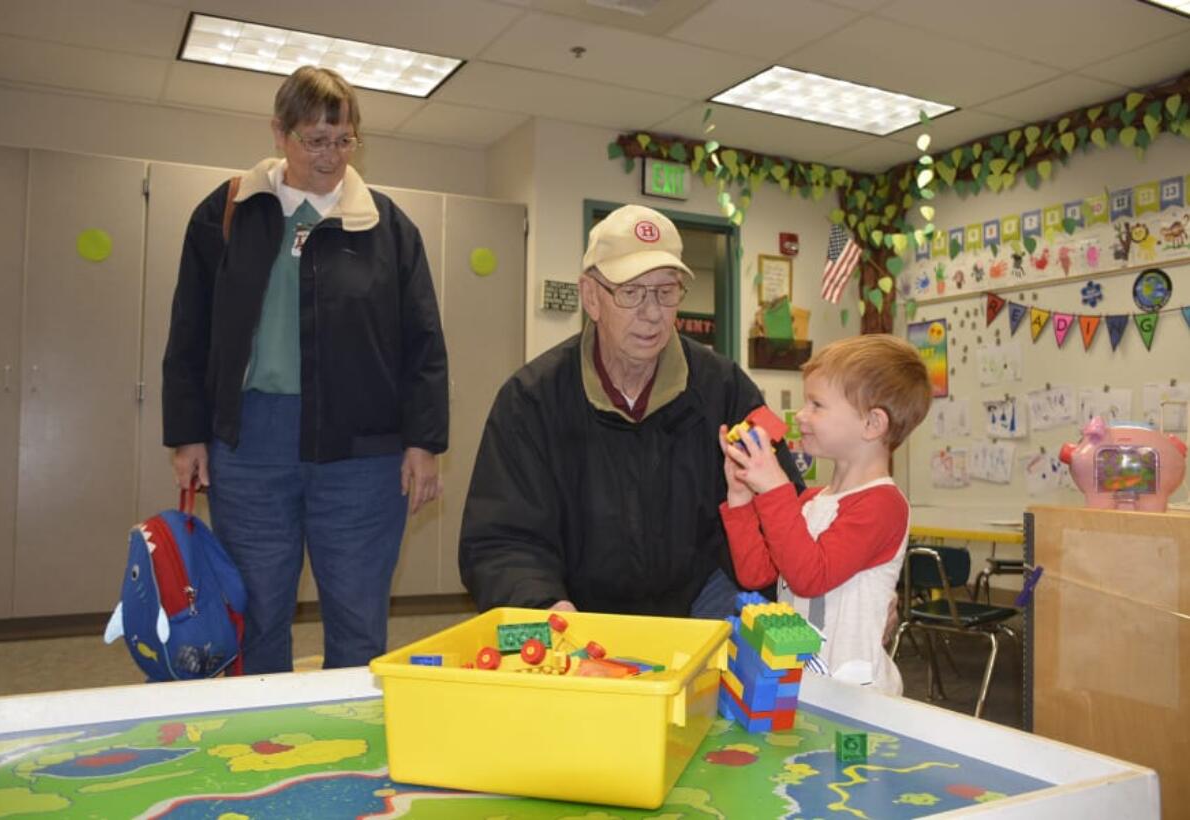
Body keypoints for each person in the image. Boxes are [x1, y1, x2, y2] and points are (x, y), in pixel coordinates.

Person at [162, 66, 448, 673]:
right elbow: (190, 331)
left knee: (357, 615)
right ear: (279, 133)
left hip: (363, 453)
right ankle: (266, 750)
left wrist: (424, 442)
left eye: (344, 140)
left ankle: (354, 757)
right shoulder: (228, 212)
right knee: (259, 613)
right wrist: (187, 433)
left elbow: (423, 343)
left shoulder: (388, 227)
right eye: (315, 140)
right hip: (252, 446)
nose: (331, 156)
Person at [459, 204, 805, 618]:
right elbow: (501, 540)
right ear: (592, 297)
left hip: (703, 601)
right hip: (578, 611)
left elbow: (786, 508)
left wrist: (848, 578)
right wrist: (545, 605)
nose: (653, 312)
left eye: (666, 290)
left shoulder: (725, 390)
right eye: (631, 292)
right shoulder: (531, 401)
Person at [718, 334, 932, 694]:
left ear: (871, 424)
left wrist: (775, 490)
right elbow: (758, 574)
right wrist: (740, 499)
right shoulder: (812, 501)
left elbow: (810, 577)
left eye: (817, 405)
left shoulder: (883, 504)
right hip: (801, 677)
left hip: (852, 687)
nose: (801, 415)